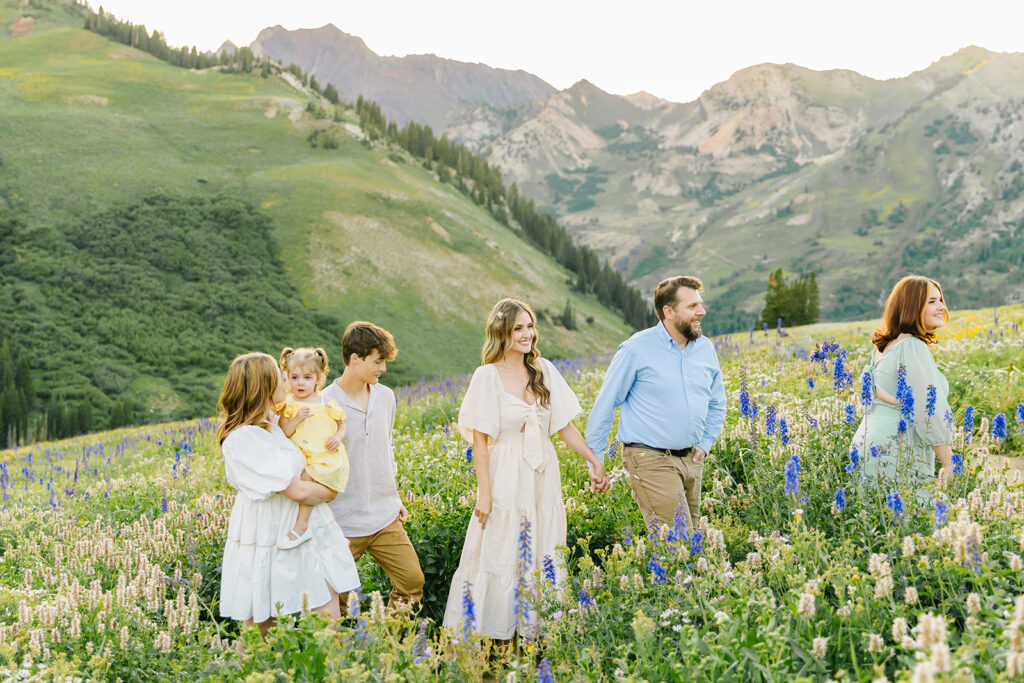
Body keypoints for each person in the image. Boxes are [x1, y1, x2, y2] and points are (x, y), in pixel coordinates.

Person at [442, 298, 610, 640]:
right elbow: (480, 443)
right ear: (501, 332)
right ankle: (491, 636)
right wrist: (484, 495)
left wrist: (594, 460)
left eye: (530, 326)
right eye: (518, 328)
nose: (527, 334)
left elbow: (564, 427)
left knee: (542, 545)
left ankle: (535, 635)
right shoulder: (487, 376)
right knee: (501, 549)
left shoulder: (544, 370)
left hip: (542, 474)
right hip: (505, 471)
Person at [217, 352, 359, 637]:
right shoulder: (242, 439)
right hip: (270, 534)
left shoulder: (272, 423)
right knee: (262, 629)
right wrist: (330, 490)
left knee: (328, 617)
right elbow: (295, 490)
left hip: (307, 530)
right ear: (264, 386)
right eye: (280, 377)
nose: (287, 381)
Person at [585, 275, 726, 534]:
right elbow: (605, 404)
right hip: (649, 458)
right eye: (692, 306)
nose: (702, 312)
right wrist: (596, 461)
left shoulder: (705, 349)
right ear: (668, 311)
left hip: (691, 458)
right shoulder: (636, 349)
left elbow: (718, 403)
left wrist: (705, 444)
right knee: (677, 544)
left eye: (700, 304)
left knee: (693, 547)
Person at [322, 322, 425, 608]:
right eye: (378, 362)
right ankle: (344, 651)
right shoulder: (325, 403)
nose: (383, 369)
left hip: (385, 514)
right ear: (355, 358)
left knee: (412, 584)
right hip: (341, 519)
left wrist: (394, 495)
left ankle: (386, 647)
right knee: (335, 600)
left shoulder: (386, 397)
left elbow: (384, 449)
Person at [851, 275, 954, 488]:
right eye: (932, 302)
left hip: (867, 444)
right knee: (921, 515)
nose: (941, 307)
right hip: (896, 450)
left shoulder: (883, 347)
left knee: (878, 516)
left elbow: (877, 395)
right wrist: (949, 463)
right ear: (911, 307)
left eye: (940, 300)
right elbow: (929, 410)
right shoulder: (911, 346)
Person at [277, 347, 348, 550]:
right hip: (305, 456)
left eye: (307, 377)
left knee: (308, 481)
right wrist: (297, 418)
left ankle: (301, 526)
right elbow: (285, 431)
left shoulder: (326, 402)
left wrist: (337, 437)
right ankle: (329, 529)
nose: (300, 383)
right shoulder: (288, 405)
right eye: (295, 377)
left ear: (318, 378)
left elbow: (342, 423)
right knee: (312, 493)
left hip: (325, 456)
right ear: (287, 378)